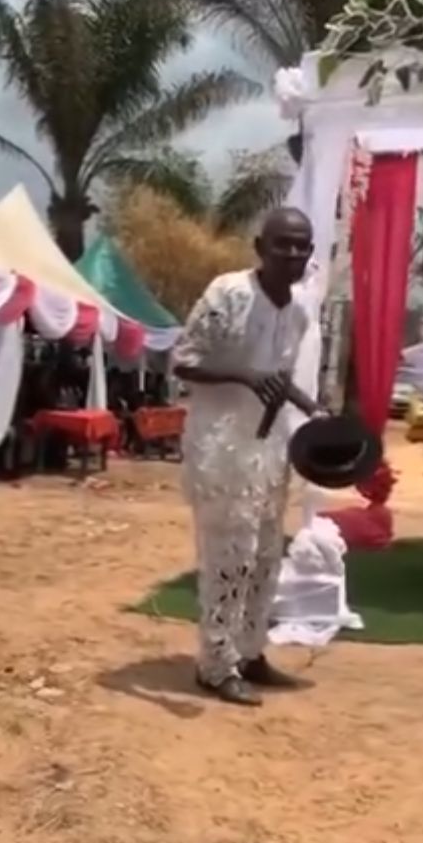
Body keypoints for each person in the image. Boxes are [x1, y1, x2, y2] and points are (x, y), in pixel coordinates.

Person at [172, 207, 319, 707]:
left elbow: (277, 375)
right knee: (227, 557)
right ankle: (215, 665)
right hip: (222, 446)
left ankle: (251, 652)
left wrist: (313, 410)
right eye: (283, 244)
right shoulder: (228, 293)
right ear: (260, 247)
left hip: (269, 445)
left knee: (263, 556)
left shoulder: (300, 307)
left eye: (302, 246)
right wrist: (243, 375)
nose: (293, 254)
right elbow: (184, 361)